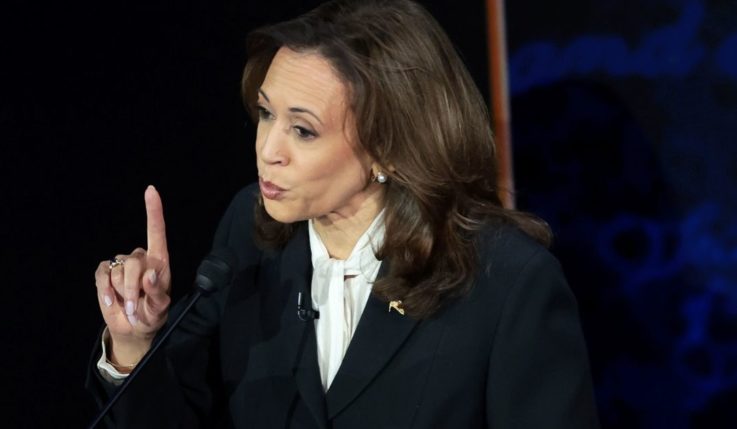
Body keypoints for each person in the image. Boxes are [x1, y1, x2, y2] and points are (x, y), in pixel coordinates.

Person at [86, 0, 600, 427]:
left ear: (389, 148)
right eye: (266, 114)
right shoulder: (248, 232)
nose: (268, 149)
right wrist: (134, 344)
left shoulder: (506, 281)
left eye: (302, 129)